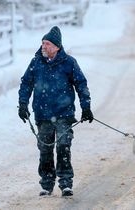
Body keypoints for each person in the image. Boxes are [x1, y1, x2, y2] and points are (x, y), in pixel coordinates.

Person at [18, 26, 93, 197]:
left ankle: (66, 183)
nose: (44, 46)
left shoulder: (69, 63)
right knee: (45, 150)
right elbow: (26, 83)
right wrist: (22, 104)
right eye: (43, 43)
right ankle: (46, 184)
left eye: (48, 44)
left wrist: (86, 107)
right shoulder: (36, 62)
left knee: (63, 147)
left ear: (57, 47)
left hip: (64, 114)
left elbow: (81, 84)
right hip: (43, 115)